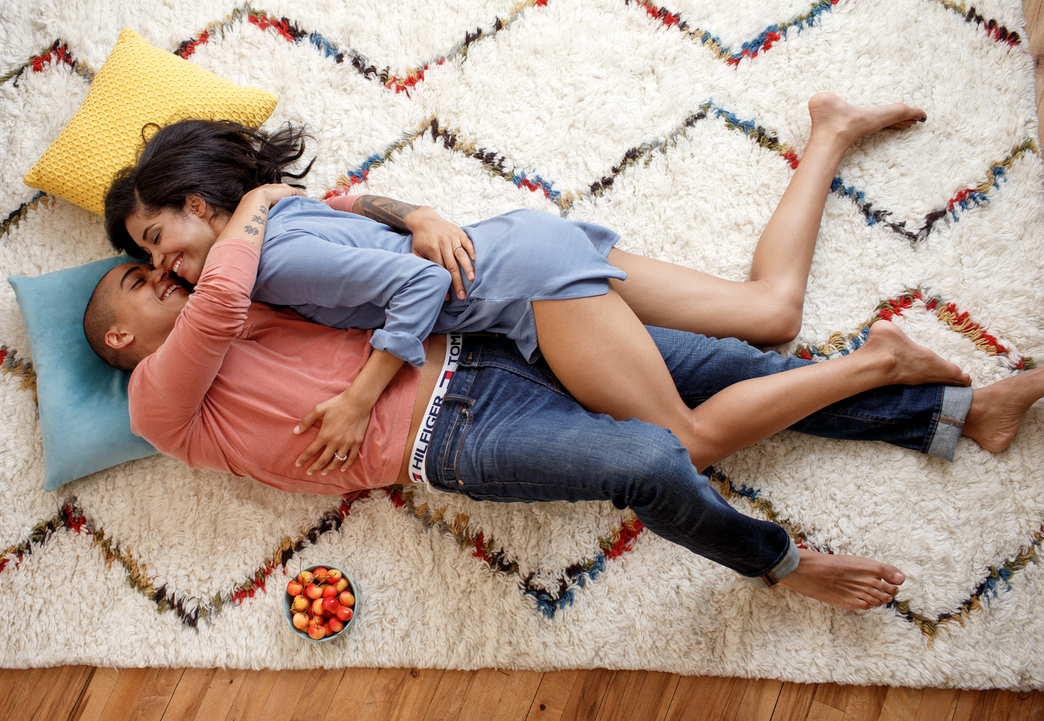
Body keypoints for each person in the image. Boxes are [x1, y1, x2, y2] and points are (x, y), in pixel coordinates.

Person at [82, 182, 1044, 612]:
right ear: (120, 340)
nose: (162, 272)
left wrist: (407, 211)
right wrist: (240, 210)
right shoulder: (158, 402)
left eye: (160, 254)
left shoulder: (245, 288)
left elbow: (336, 219)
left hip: (485, 341)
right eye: (140, 277)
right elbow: (216, 300)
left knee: (737, 369)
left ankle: (956, 412)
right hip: (455, 440)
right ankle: (782, 564)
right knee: (659, 456)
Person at [101, 94, 946, 475]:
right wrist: (417, 207)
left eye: (157, 239)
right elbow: (351, 205)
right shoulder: (272, 215)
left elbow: (413, 291)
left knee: (686, 445)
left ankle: (877, 363)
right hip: (528, 245)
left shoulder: (269, 260)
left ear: (200, 202)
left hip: (526, 291)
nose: (167, 265)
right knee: (770, 313)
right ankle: (831, 132)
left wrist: (361, 396)